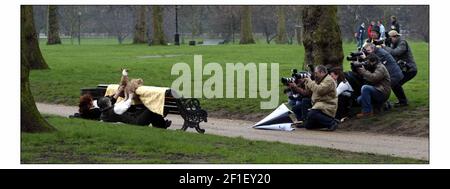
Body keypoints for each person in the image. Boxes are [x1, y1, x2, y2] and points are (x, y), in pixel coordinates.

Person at [296, 65, 338, 131]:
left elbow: (319, 90)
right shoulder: (320, 79)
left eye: (316, 73)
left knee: (312, 113)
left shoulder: (329, 80)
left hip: (327, 105)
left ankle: (332, 123)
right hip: (318, 103)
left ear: (322, 72)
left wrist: (309, 81)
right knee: (305, 102)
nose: (315, 75)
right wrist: (305, 82)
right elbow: (308, 92)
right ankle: (306, 122)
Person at [382, 30, 418, 106]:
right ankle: (402, 101)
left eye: (390, 38)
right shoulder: (395, 44)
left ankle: (403, 101)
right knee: (395, 83)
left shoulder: (402, 43)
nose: (390, 40)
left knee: (395, 83)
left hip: (410, 69)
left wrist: (385, 47)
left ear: (395, 37)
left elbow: (396, 52)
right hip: (404, 68)